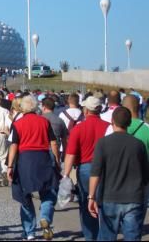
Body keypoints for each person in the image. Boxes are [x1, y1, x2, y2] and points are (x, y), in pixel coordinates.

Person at [88, 107, 149, 241]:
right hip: (134, 198)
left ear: (112, 121)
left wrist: (91, 197)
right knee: (132, 237)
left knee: (107, 237)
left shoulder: (103, 143)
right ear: (128, 123)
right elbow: (145, 175)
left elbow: (95, 173)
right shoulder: (139, 145)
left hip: (109, 197)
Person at [7, 95, 60, 241]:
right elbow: (54, 143)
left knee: (25, 196)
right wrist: (56, 160)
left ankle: (29, 232)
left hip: (25, 161)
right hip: (43, 158)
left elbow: (14, 146)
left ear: (23, 108)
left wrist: (10, 166)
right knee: (49, 191)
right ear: (35, 107)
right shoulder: (44, 121)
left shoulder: (18, 124)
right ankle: (45, 217)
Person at [62, 96, 109, 241]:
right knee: (105, 204)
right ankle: (105, 235)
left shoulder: (78, 128)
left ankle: (91, 237)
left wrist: (66, 174)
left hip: (85, 168)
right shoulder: (109, 126)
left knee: (86, 204)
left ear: (86, 110)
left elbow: (70, 154)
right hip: (106, 168)